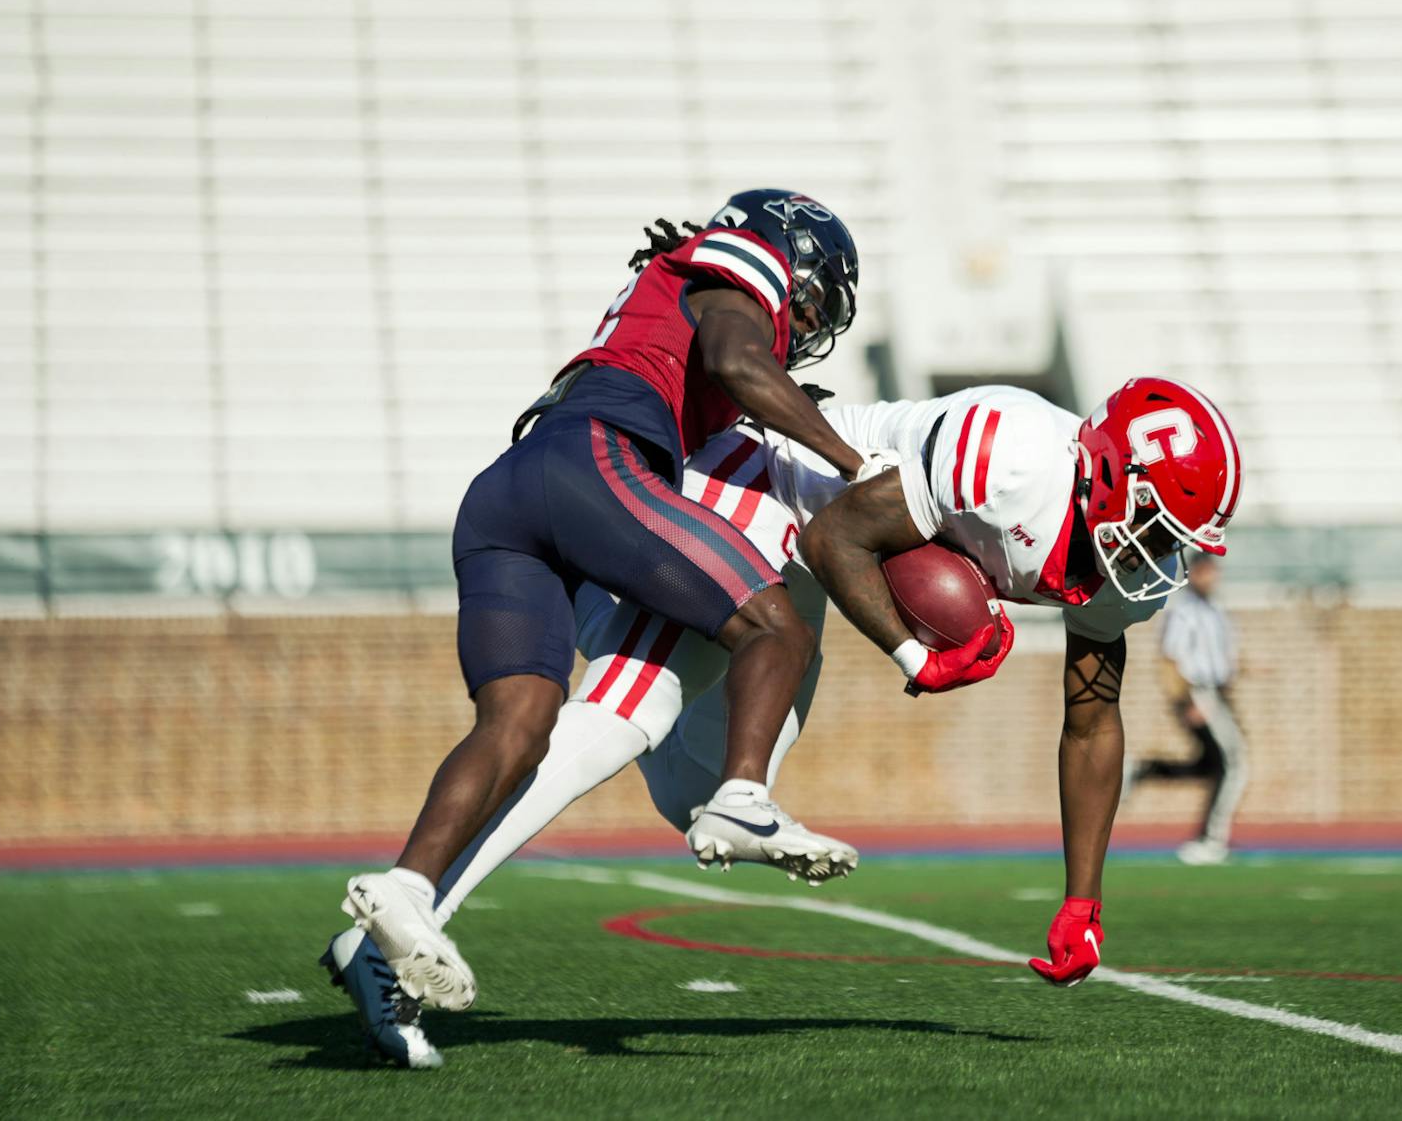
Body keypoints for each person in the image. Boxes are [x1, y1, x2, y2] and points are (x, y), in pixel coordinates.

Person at [326, 375, 1244, 1067]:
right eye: (1158, 524)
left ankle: (631, 646)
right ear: (1109, 470)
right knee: (623, 714)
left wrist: (1083, 897)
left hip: (814, 555)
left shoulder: (1123, 566)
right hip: (767, 479)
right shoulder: (1009, 456)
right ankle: (395, 928)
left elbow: (1092, 717)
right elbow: (834, 534)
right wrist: (916, 656)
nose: (1159, 552)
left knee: (695, 789)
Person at [333, 190, 876, 1027]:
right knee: (775, 626)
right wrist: (852, 458)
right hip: (595, 457)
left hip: (508, 491)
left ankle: (401, 895)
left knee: (517, 725)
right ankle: (739, 799)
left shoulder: (675, 286)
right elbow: (737, 362)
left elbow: (717, 377)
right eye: (809, 299)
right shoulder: (737, 265)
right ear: (785, 260)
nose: (803, 321)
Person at [1129, 552, 1248, 865]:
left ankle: (1146, 770)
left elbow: (1222, 659)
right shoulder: (1184, 612)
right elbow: (1170, 659)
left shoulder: (1216, 609)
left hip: (1218, 694)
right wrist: (1186, 701)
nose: (1211, 577)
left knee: (1211, 765)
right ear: (1193, 572)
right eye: (1205, 571)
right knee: (1233, 764)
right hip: (1199, 693)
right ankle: (1210, 839)